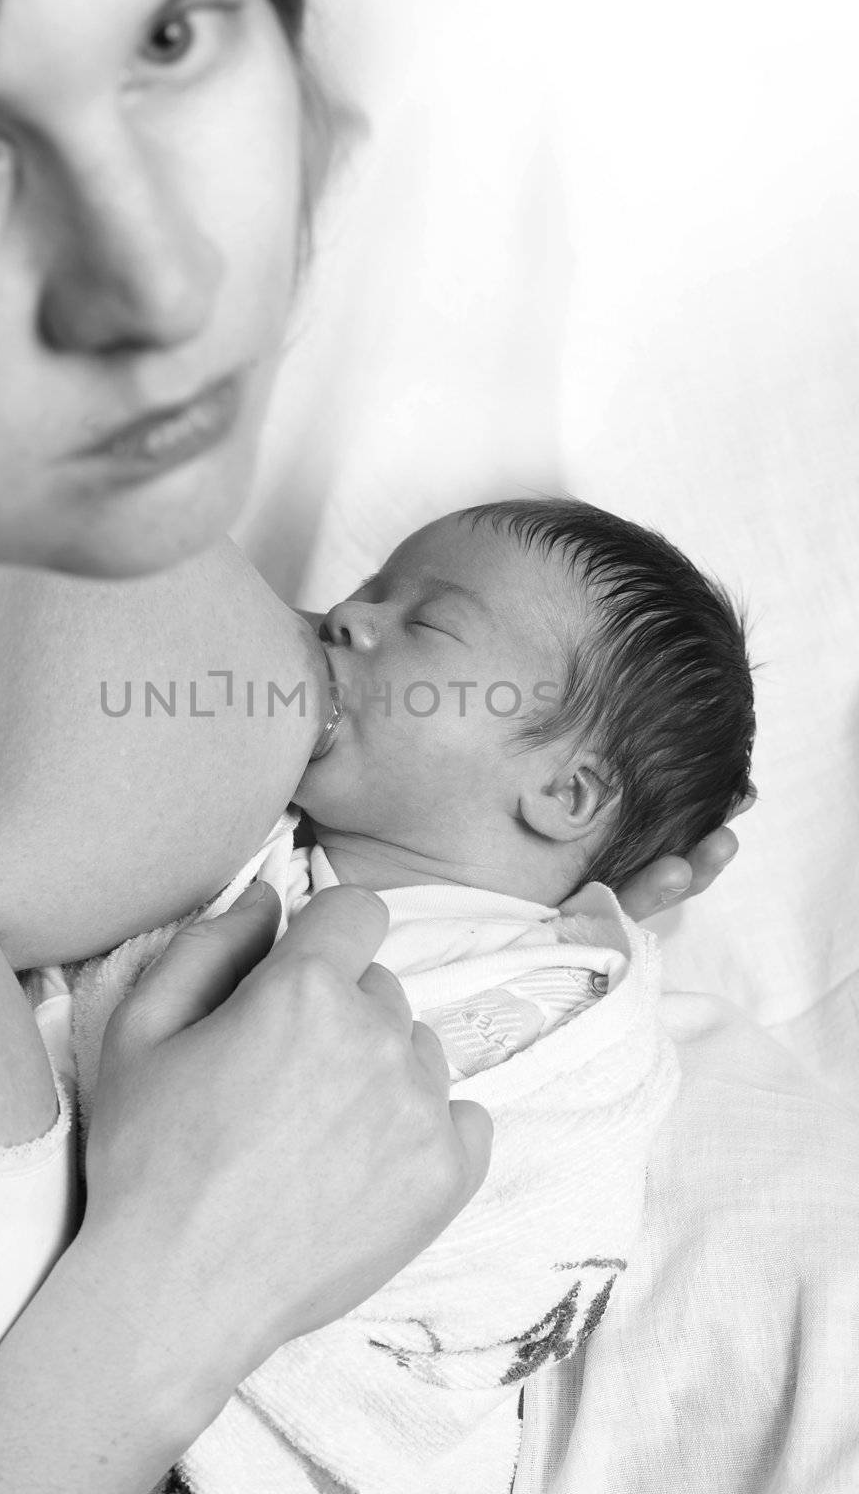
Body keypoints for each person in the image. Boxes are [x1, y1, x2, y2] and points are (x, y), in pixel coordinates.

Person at [0, 0, 740, 1489]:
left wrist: (502, 898)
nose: (163, 285)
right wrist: (167, 1304)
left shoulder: (81, 486)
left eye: (167, 37)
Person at [72, 495, 751, 1492]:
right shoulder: (253, 835)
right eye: (362, 591)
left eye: (424, 624)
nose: (346, 617)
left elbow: (457, 1177)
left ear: (565, 793)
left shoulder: (545, 1001)